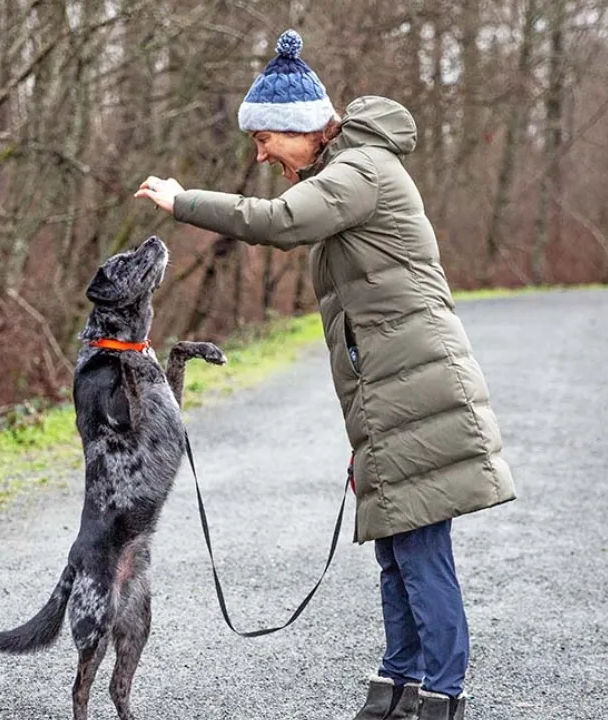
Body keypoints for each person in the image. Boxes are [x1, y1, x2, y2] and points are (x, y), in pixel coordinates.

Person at [135, 29, 516, 720]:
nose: (260, 155)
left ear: (304, 128)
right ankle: (399, 683)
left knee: (421, 548)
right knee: (398, 547)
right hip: (394, 389)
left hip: (417, 386)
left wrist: (185, 201)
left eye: (266, 139)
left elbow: (278, 222)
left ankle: (444, 696)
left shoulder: (359, 172)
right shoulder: (348, 174)